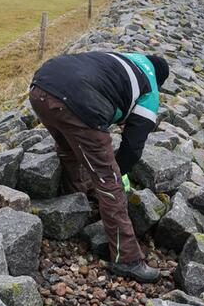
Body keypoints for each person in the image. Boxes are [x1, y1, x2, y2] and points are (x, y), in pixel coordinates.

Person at [29, 50, 170, 283]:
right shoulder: (150, 90)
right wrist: (116, 172)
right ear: (159, 79)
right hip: (76, 100)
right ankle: (126, 259)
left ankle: (76, 203)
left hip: (41, 87)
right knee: (109, 181)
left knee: (69, 149)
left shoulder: (125, 57)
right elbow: (133, 148)